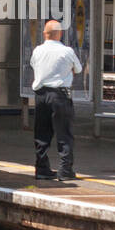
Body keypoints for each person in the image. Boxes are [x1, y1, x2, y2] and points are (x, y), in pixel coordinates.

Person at [30, 19, 82, 182]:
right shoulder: (67, 51)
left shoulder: (37, 51)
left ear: (45, 34)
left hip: (40, 96)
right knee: (64, 133)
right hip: (60, 96)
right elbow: (78, 69)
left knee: (41, 134)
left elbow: (34, 66)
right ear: (60, 33)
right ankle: (65, 170)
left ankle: (42, 169)